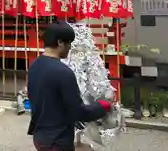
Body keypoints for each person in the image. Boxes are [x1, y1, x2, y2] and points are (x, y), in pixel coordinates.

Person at [27, 21, 112, 151]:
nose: (70, 47)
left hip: (40, 136)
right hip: (57, 140)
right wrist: (102, 106)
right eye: (69, 43)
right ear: (60, 42)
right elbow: (80, 112)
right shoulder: (63, 73)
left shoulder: (34, 66)